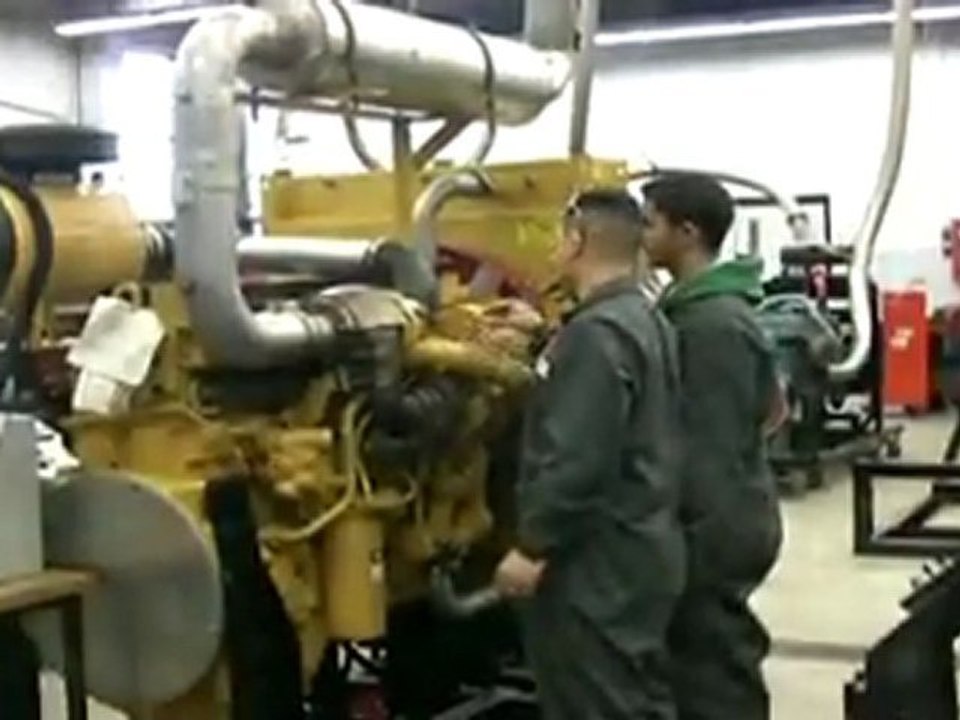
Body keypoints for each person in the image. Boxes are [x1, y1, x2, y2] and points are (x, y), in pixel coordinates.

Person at [494, 188, 686, 720]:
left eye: (562, 235)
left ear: (577, 239)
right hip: (643, 545)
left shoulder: (594, 336)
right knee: (634, 698)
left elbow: (576, 458)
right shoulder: (643, 319)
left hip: (595, 566)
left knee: (594, 702)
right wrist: (547, 342)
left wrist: (532, 547)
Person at [640, 172, 785, 720]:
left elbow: (711, 451)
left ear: (688, 231)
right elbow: (773, 411)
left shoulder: (711, 325)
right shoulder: (700, 310)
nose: (640, 233)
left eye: (649, 222)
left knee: (713, 667)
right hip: (729, 510)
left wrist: (680, 539)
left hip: (717, 523)